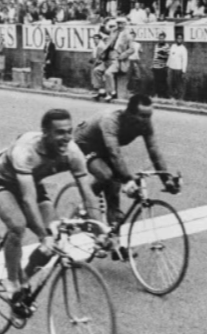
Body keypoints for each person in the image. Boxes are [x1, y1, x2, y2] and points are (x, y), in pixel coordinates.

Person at [0, 109, 98, 311]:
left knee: (54, 236)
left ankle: (24, 278)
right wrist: (42, 235)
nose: (66, 138)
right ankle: (12, 282)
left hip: (31, 181)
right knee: (18, 226)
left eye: (69, 132)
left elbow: (88, 194)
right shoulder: (26, 151)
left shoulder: (73, 152)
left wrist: (101, 229)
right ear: (45, 133)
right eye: (59, 133)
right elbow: (28, 200)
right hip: (3, 182)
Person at [73, 95, 179, 242]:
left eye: (149, 116)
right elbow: (114, 152)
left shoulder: (145, 124)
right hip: (86, 143)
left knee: (114, 192)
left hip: (105, 147)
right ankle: (83, 209)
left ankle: (114, 241)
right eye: (142, 116)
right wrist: (127, 180)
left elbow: (154, 150)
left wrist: (166, 179)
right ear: (129, 113)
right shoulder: (111, 120)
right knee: (107, 175)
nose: (146, 120)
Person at [92, 17, 134, 102]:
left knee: (108, 73)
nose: (119, 25)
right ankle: (101, 90)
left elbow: (132, 49)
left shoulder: (128, 36)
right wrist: (103, 23)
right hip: (108, 56)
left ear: (125, 24)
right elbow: (105, 30)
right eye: (118, 23)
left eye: (121, 23)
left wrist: (123, 55)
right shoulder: (113, 31)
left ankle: (111, 93)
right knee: (96, 70)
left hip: (117, 59)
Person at [167, 34, 188, 100]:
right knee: (170, 83)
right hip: (171, 68)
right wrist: (168, 66)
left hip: (178, 69)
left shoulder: (183, 49)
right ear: (176, 39)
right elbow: (170, 56)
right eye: (178, 38)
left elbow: (185, 60)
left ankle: (180, 98)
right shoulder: (173, 46)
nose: (179, 39)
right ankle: (172, 97)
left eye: (180, 38)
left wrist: (183, 71)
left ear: (182, 40)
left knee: (179, 84)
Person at [152, 32, 170, 98]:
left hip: (162, 67)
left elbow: (167, 56)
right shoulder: (156, 45)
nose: (161, 39)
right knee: (156, 82)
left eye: (162, 38)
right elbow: (155, 55)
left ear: (164, 38)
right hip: (155, 67)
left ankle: (163, 95)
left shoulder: (166, 46)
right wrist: (153, 64)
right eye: (160, 38)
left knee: (163, 82)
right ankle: (157, 95)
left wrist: (161, 55)